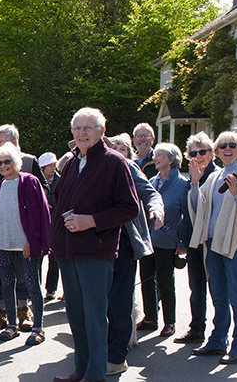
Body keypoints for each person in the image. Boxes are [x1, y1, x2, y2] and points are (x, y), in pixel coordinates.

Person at [51, 108, 139, 382]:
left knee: (95, 316)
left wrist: (91, 221)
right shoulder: (70, 163)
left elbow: (130, 208)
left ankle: (96, 374)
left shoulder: (115, 162)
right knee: (76, 315)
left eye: (88, 128)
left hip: (95, 251)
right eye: (77, 128)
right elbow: (59, 204)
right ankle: (82, 369)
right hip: (67, 251)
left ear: (102, 131)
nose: (81, 133)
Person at [188, 131, 237, 365]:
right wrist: (194, 183)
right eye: (222, 146)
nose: (227, 148)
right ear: (217, 152)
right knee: (218, 296)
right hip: (212, 244)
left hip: (234, 244)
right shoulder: (214, 177)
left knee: (236, 297)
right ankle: (217, 341)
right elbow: (198, 207)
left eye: (233, 145)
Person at [104, 134, 163, 377]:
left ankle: (116, 356)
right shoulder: (80, 166)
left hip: (122, 243)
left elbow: (150, 192)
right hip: (89, 244)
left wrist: (156, 209)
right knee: (96, 302)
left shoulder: (127, 166)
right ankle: (97, 350)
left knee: (119, 301)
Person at [0, 124, 47, 332]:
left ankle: (38, 328)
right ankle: (11, 325)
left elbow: (40, 213)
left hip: (26, 244)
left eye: (7, 161)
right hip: (4, 244)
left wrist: (33, 240)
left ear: (16, 161)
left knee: (31, 284)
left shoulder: (30, 181)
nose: (3, 166)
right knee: (6, 284)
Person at [142, 143, 190, 338]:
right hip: (148, 241)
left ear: (171, 160)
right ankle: (150, 318)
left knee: (165, 281)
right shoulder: (152, 180)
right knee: (146, 280)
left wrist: (182, 243)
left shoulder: (182, 184)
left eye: (160, 154)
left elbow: (187, 216)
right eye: (156, 154)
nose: (156, 156)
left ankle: (169, 322)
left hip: (168, 240)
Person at [175, 132, 218, 344]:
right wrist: (182, 240)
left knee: (218, 289)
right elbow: (186, 211)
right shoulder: (189, 178)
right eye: (193, 152)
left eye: (203, 151)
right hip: (193, 241)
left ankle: (219, 336)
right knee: (196, 288)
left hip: (213, 242)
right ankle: (197, 329)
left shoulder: (217, 175)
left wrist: (197, 182)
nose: (199, 156)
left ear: (212, 153)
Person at [39, 152, 62, 301]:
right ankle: (35, 289)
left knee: (55, 258)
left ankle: (51, 289)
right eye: (50, 165)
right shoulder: (37, 181)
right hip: (40, 223)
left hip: (56, 223)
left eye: (54, 164)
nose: (53, 168)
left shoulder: (60, 180)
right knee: (38, 257)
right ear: (42, 167)